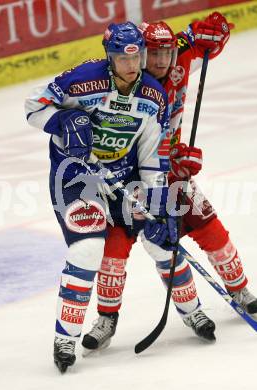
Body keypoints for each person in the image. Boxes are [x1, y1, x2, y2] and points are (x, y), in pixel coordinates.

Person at [82, 12, 257, 353]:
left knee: (210, 229)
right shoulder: (123, 84)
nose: (162, 61)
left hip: (172, 177)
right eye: (153, 54)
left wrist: (214, 32)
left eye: (166, 53)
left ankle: (237, 289)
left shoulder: (174, 55)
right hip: (127, 184)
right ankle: (107, 317)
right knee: (114, 252)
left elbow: (202, 42)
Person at [25, 21, 179, 373]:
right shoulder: (82, 79)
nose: (131, 65)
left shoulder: (153, 95)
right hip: (74, 176)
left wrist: (156, 201)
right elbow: (33, 106)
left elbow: (151, 156)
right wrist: (63, 120)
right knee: (88, 248)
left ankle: (190, 309)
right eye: (122, 59)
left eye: (136, 57)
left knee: (157, 241)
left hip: (121, 181)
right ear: (109, 57)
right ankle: (65, 338)